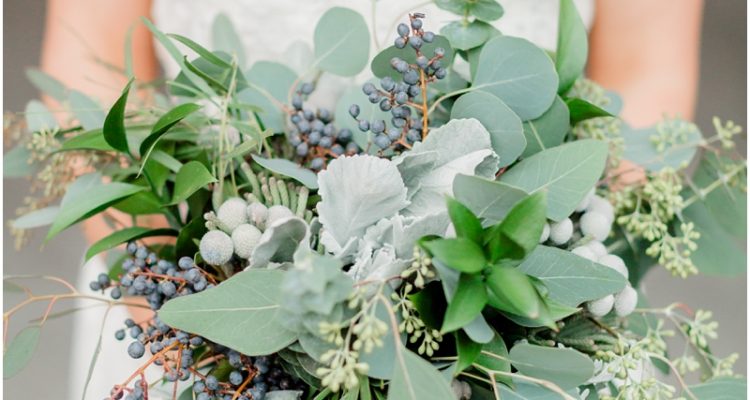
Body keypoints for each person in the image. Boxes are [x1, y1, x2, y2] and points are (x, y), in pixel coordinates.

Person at [39, 0, 703, 398]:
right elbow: (88, 69)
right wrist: (207, 320)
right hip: (204, 324)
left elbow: (645, 77)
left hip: (504, 330)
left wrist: (496, 330)